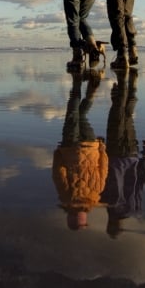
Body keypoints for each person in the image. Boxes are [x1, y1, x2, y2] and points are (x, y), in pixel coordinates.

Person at [52, 69, 108, 230]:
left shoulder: (96, 196)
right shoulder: (67, 197)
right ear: (70, 214)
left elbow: (103, 170)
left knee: (81, 116)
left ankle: (91, 94)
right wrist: (58, 153)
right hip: (70, 148)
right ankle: (77, 81)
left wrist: (101, 148)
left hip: (91, 145)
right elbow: (59, 172)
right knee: (72, 113)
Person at [100, 68, 145, 238]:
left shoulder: (134, 207)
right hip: (115, 153)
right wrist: (100, 149)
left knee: (127, 116)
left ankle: (132, 83)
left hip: (132, 152)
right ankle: (123, 78)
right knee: (118, 113)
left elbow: (142, 182)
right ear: (109, 223)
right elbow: (101, 176)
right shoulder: (106, 202)